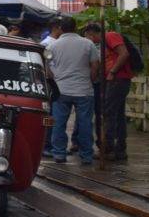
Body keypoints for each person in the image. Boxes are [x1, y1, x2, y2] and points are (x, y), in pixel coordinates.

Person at [46, 16, 99, 165]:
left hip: (61, 91)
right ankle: (86, 155)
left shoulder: (53, 46)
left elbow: (46, 67)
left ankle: (59, 154)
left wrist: (54, 79)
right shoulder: (88, 44)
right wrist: (91, 79)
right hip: (84, 90)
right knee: (85, 124)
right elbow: (95, 65)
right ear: (76, 28)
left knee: (58, 123)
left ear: (61, 28)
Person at [84, 23, 134, 161]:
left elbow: (124, 54)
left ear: (91, 34)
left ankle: (108, 148)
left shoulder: (110, 36)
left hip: (117, 80)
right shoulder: (103, 43)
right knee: (117, 114)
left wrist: (112, 72)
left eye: (87, 37)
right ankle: (120, 149)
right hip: (116, 80)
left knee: (108, 113)